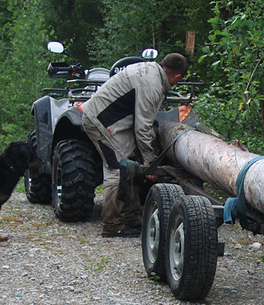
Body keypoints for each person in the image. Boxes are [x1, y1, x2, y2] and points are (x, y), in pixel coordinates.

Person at [80, 52, 189, 237]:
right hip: (100, 122)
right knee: (117, 169)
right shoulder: (152, 84)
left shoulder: (151, 71)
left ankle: (131, 217)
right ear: (177, 76)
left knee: (128, 166)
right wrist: (150, 162)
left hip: (109, 120)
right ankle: (112, 225)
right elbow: (142, 127)